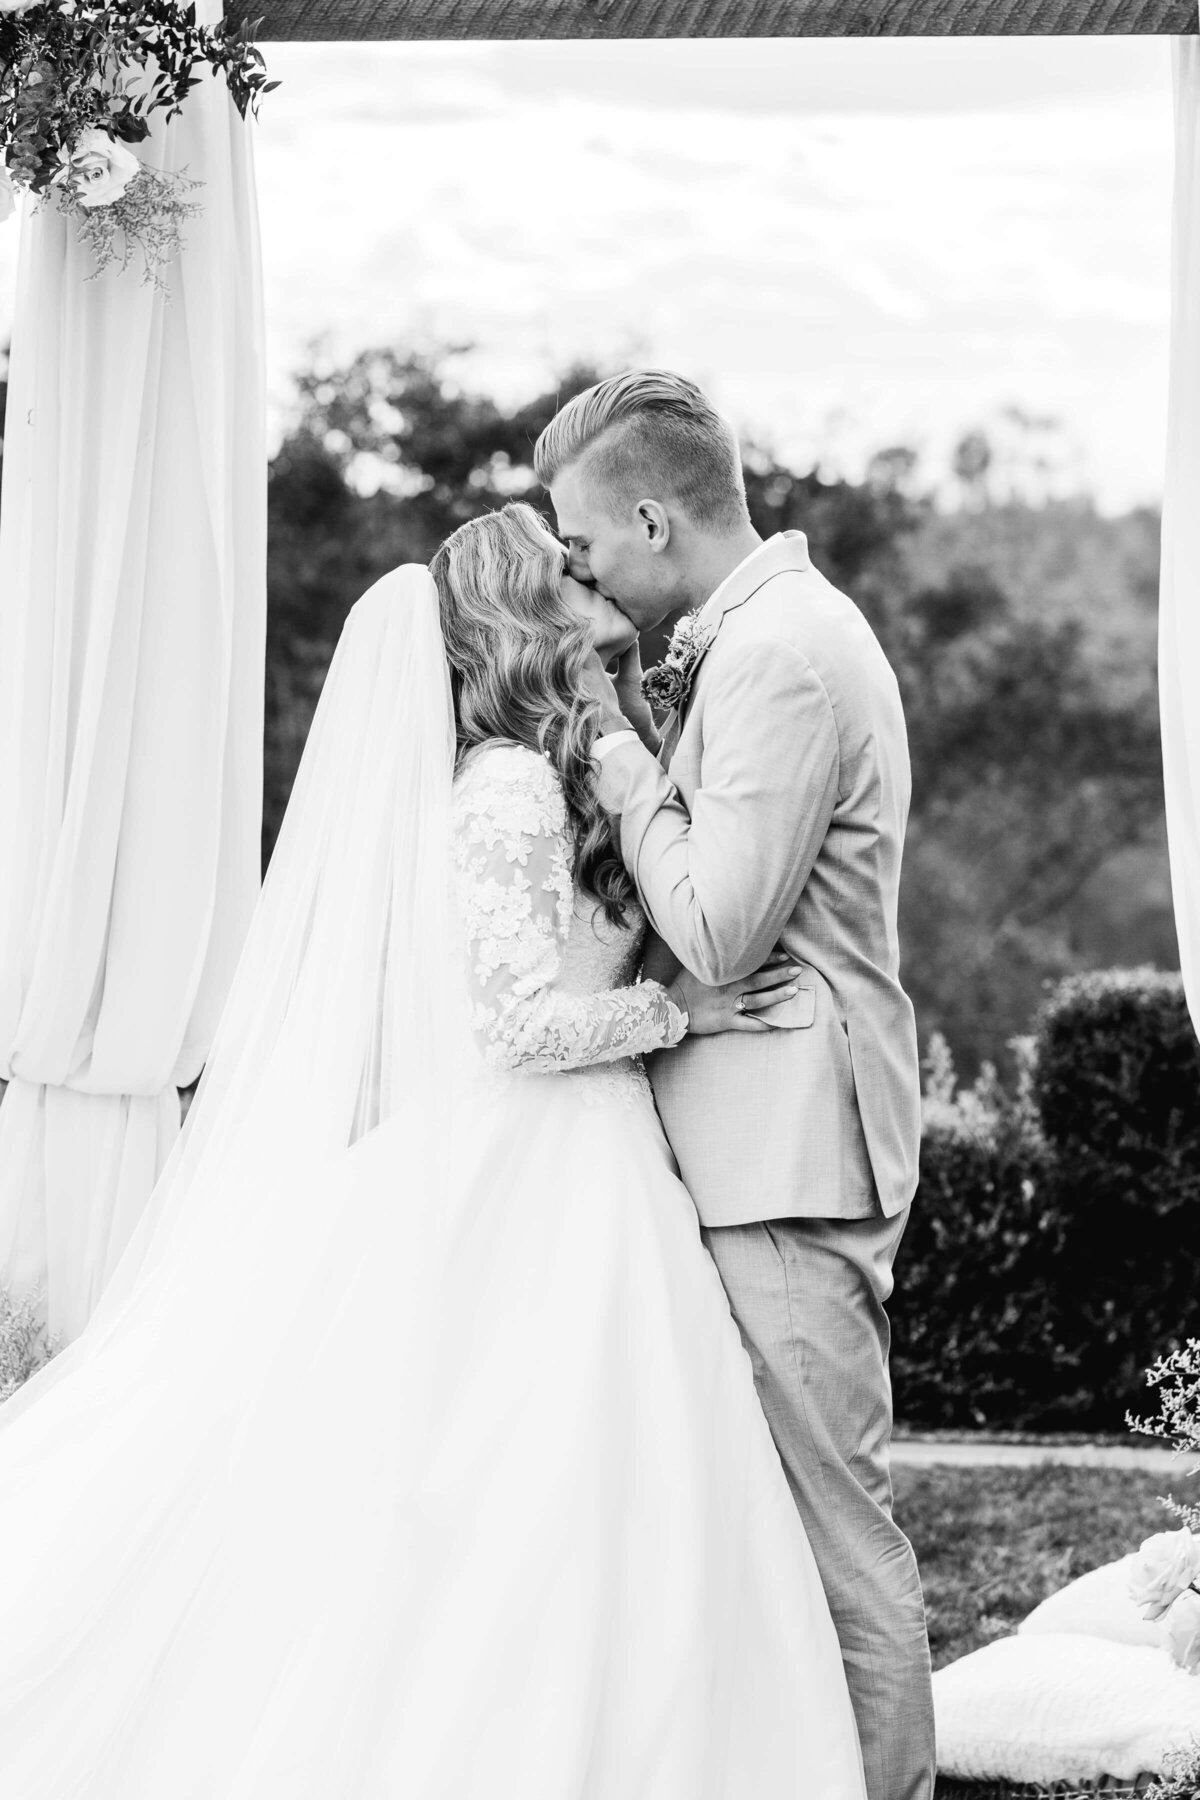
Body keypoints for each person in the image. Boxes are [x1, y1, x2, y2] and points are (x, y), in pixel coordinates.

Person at [0, 503, 867, 1797]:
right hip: (538, 1163)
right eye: (564, 569)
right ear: (526, 613)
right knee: (534, 1483)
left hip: (589, 1159)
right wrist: (676, 1013)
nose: (587, 578)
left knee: (612, 1485)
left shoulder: (551, 767)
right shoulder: (506, 792)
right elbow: (518, 1026)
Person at [536, 369, 937, 1800]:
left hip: (785, 1151)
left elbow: (713, 925)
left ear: (651, 517)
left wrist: (608, 732)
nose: (573, 573)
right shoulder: (767, 631)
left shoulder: (776, 655)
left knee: (837, 1546)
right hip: (755, 1131)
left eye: (582, 545)